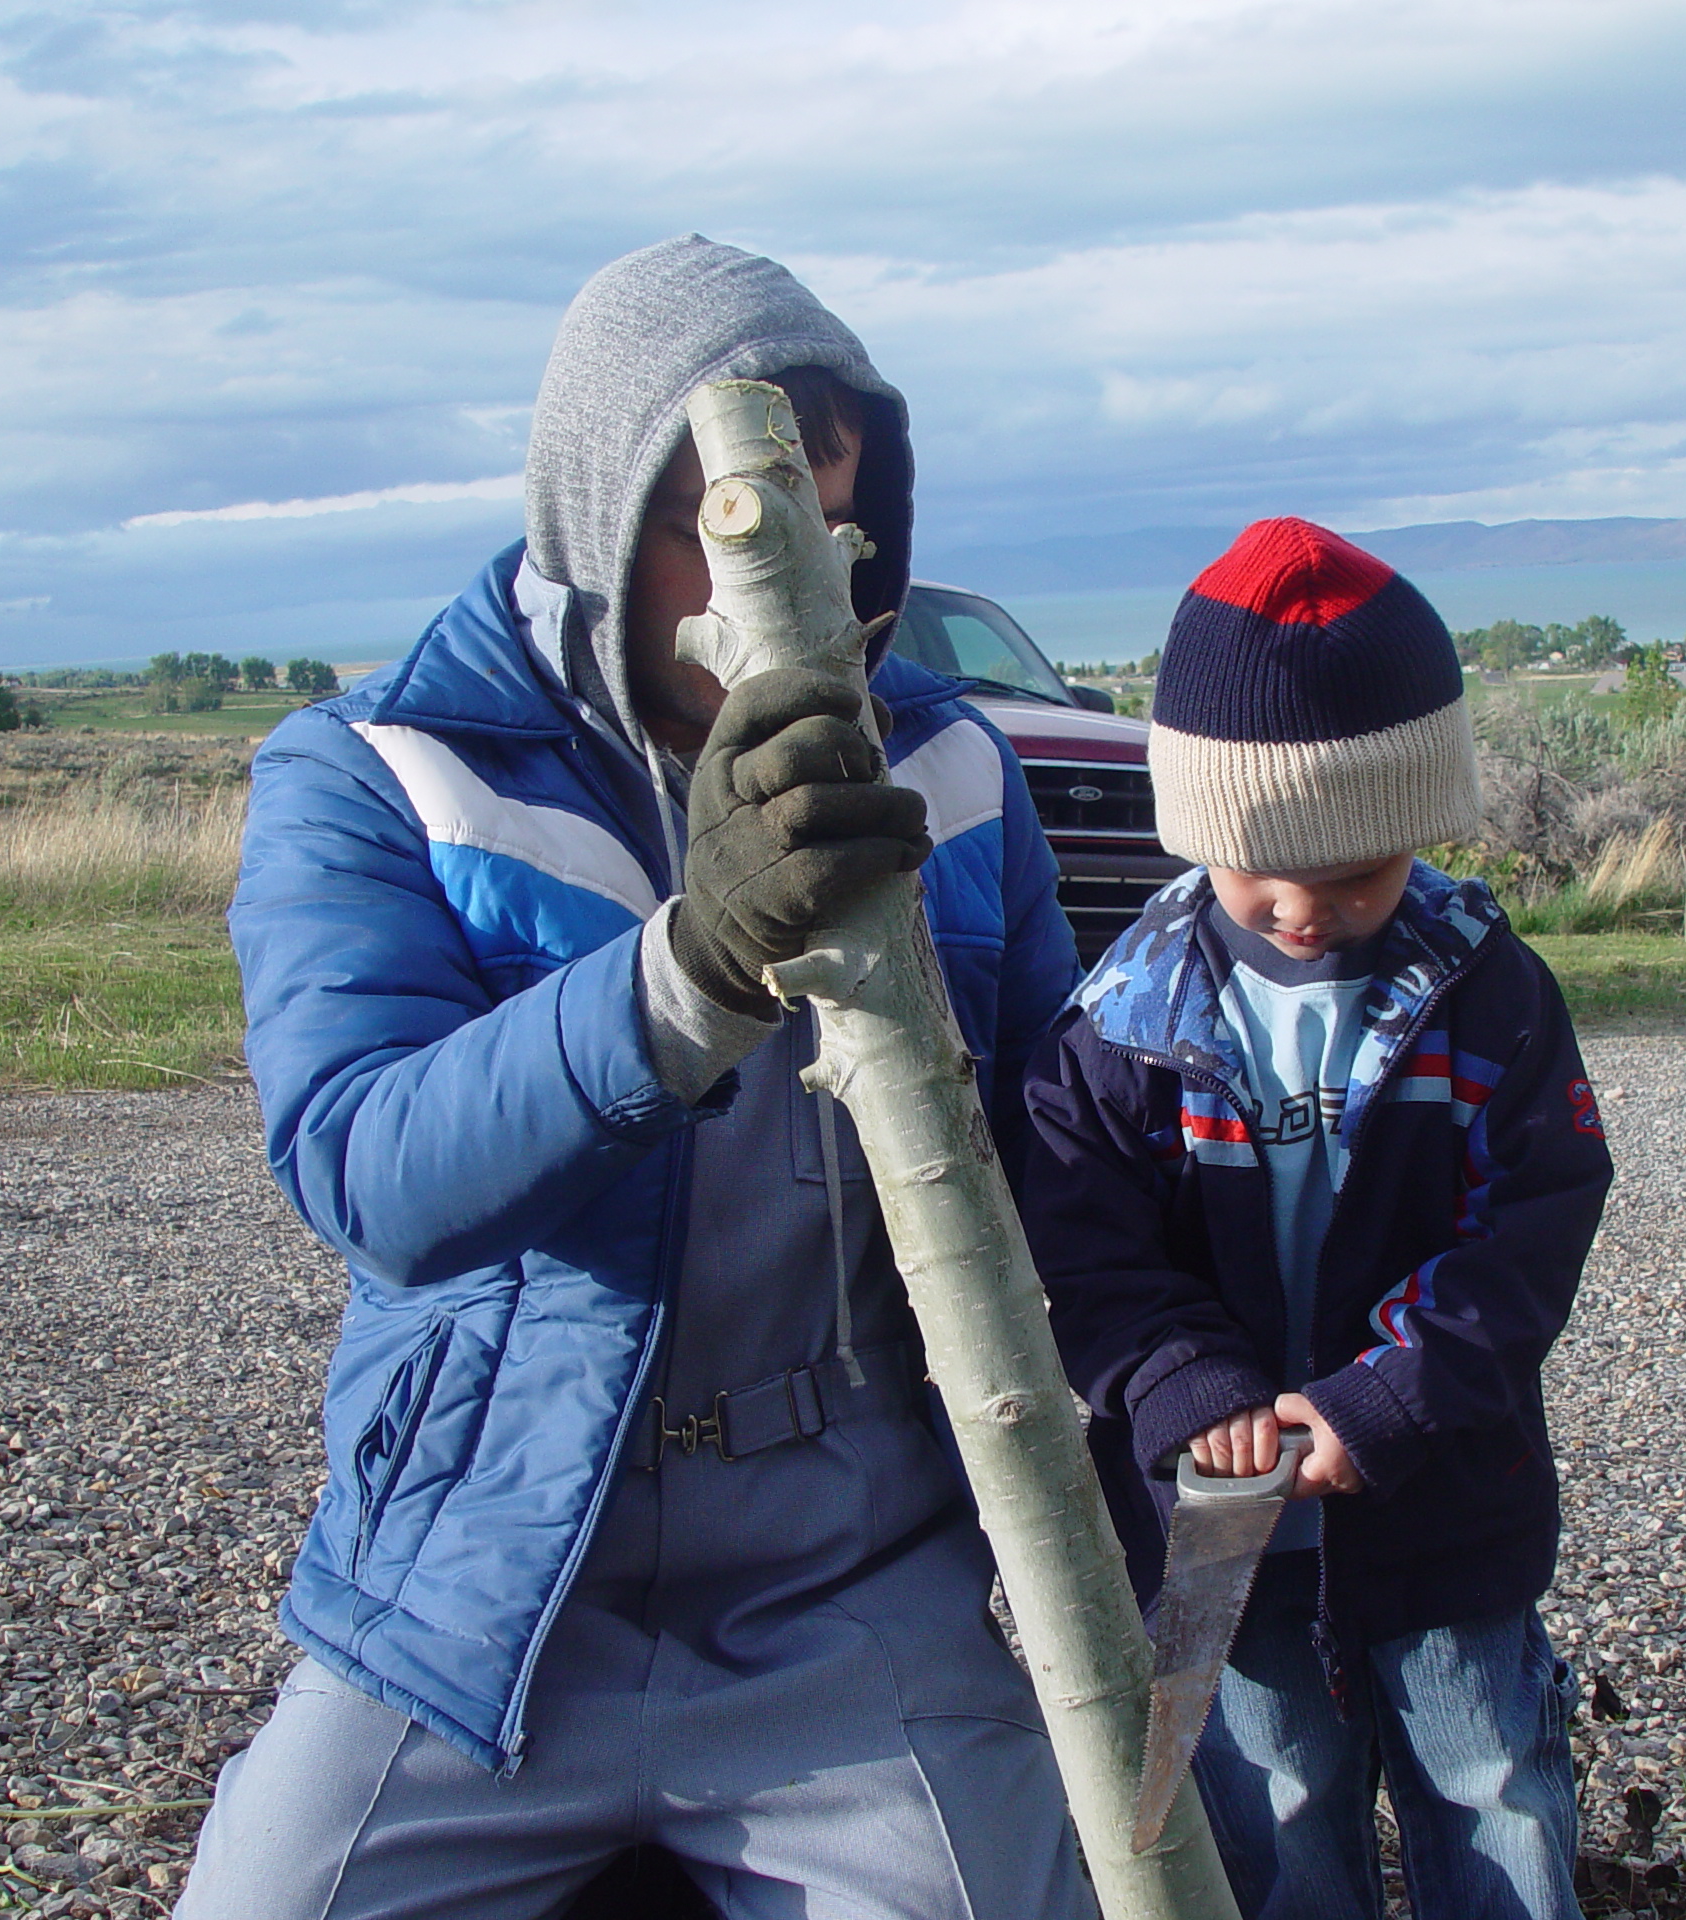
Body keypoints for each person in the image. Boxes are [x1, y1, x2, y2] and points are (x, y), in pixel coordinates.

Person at [178, 236, 1091, 1920]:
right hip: (492, 1590)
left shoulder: (953, 767)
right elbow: (369, 1173)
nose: (798, 595)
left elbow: (1066, 1164)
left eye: (840, 527)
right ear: (599, 516)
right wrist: (691, 969)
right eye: (730, 526)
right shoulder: (381, 773)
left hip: (855, 1591)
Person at [1017, 518, 1613, 1920]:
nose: (1300, 909)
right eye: (1256, 872)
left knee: (1498, 1798)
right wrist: (1188, 1385)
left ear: (1422, 820)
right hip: (1221, 1530)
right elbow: (1087, 1251)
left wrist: (1390, 1396)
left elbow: (1530, 1227)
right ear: (1194, 829)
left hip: (1438, 1501)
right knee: (1276, 1825)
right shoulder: (1119, 1028)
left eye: (1355, 873)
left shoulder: (1491, 995)